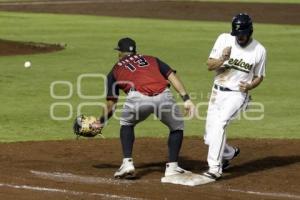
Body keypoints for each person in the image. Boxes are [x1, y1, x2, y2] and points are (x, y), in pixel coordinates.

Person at [93, 37, 195, 179]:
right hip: (163, 95)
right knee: (177, 127)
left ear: (120, 53)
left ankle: (127, 162)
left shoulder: (115, 70)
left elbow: (111, 104)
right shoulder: (152, 59)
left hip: (138, 98)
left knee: (127, 123)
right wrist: (186, 99)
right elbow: (172, 76)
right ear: (135, 51)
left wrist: (101, 121)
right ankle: (172, 167)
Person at [203, 13, 266, 181]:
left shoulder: (259, 50)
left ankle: (215, 168)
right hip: (217, 93)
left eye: (243, 34)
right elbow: (210, 65)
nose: (240, 37)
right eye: (237, 34)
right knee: (210, 138)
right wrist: (223, 58)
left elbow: (259, 76)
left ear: (250, 31)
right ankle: (230, 153)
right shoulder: (224, 39)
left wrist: (250, 85)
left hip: (237, 95)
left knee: (220, 125)